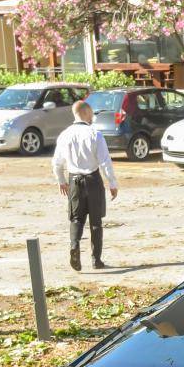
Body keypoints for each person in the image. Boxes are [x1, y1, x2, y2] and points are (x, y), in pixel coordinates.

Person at [51, 99, 119, 270]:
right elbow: (105, 161)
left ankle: (74, 245)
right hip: (93, 180)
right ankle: (96, 260)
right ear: (87, 113)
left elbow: (56, 163)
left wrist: (61, 181)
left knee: (76, 218)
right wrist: (112, 182)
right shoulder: (95, 134)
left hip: (74, 180)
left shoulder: (65, 134)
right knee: (96, 222)